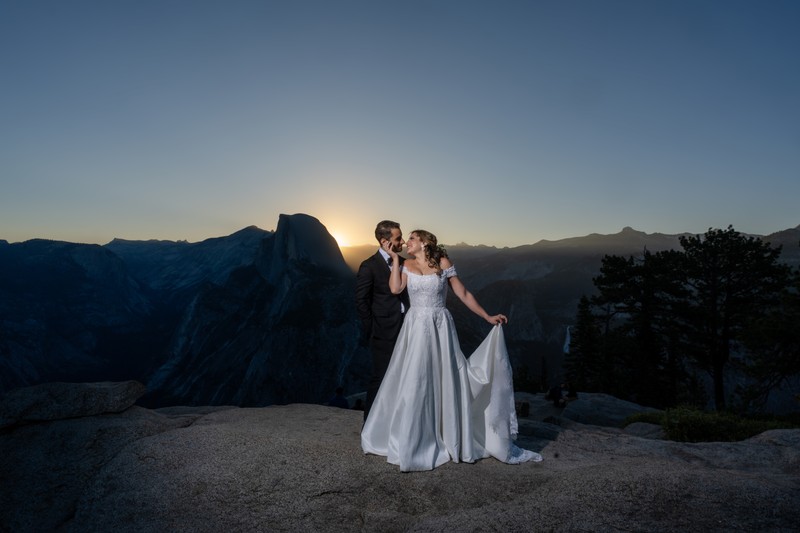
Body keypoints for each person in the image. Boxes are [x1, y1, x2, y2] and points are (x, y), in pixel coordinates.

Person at [361, 229, 542, 471]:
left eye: (412, 238)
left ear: (424, 243)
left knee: (444, 377)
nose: (407, 242)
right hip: (415, 328)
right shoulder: (406, 264)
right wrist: (394, 260)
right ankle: (414, 439)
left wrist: (487, 316)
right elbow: (395, 289)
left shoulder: (444, 263)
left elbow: (463, 293)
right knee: (415, 380)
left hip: (440, 326)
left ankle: (445, 433)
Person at [355, 220, 411, 421]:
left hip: (409, 328)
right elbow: (361, 301)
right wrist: (372, 329)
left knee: (404, 377)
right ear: (384, 241)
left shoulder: (404, 263)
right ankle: (369, 426)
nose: (403, 242)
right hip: (383, 331)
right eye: (398, 238)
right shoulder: (369, 266)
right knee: (380, 377)